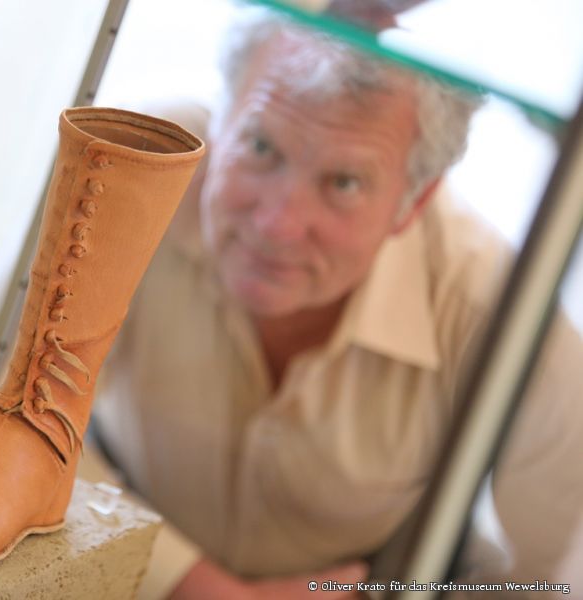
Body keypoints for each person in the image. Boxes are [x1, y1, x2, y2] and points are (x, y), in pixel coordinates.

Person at [80, 7, 583, 600]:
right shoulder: (136, 167)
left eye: (344, 183)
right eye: (261, 146)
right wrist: (189, 583)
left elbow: (556, 581)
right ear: (223, 122)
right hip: (103, 567)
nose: (279, 224)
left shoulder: (495, 310)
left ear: (413, 204)